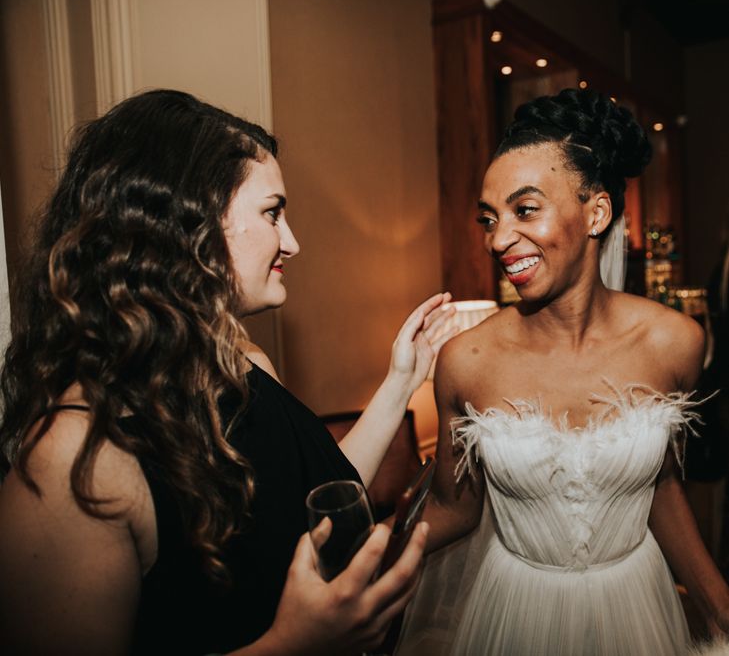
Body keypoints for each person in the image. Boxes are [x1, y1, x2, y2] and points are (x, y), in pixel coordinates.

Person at [0, 89, 456, 655]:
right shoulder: (74, 457)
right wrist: (296, 645)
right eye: (272, 212)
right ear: (187, 220)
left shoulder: (246, 363)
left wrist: (401, 383)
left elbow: (313, 497)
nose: (291, 241)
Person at [396, 88, 729, 655]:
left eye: (525, 210)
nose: (498, 239)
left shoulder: (675, 343)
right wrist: (374, 547)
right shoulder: (466, 362)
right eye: (489, 218)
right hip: (515, 613)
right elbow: (454, 507)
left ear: (595, 212)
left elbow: (661, 487)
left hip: (637, 608)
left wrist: (720, 604)